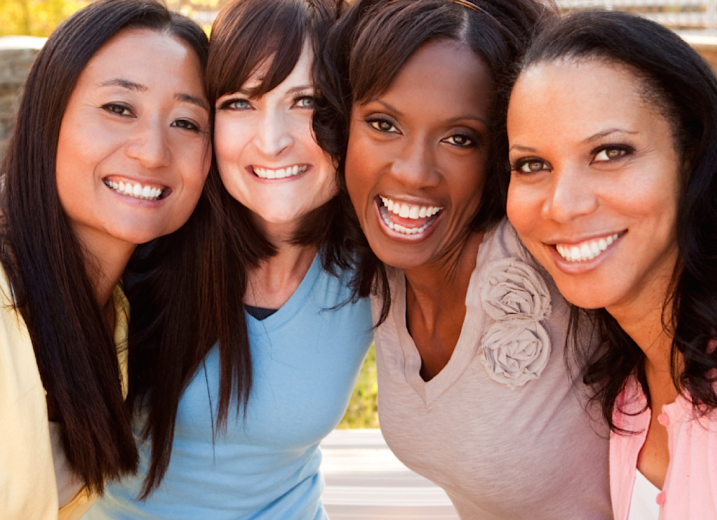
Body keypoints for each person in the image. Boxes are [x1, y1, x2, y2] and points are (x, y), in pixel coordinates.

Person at [314, 1, 612, 518]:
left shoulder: (552, 250)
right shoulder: (381, 268)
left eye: (459, 138)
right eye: (384, 124)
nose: (412, 171)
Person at [506, 11, 717, 520]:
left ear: (691, 159)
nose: (562, 205)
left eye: (610, 152)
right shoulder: (632, 387)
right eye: (532, 165)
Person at [88, 0, 372, 518]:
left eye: (307, 101)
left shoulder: (376, 261)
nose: (272, 141)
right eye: (240, 103)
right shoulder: (143, 235)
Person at [0, 1, 210, 518]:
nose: (154, 152)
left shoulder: (115, 312)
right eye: (119, 108)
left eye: (186, 122)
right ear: (48, 117)